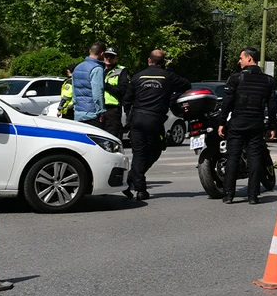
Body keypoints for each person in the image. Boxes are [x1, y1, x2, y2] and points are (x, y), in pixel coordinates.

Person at [122, 49, 190, 200]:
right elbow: (186, 84)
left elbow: (127, 100)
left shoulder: (138, 76)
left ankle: (134, 181)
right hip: (154, 119)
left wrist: (129, 116)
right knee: (156, 150)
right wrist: (171, 71)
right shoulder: (168, 76)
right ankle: (138, 186)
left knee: (139, 154)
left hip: (137, 118)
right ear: (163, 62)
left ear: (149, 60)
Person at [218, 47, 277, 205]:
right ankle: (253, 196)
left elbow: (227, 103)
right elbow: (272, 105)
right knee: (255, 158)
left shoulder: (235, 78)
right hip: (256, 123)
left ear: (249, 58)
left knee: (233, 156)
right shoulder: (268, 81)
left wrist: (222, 122)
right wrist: (272, 127)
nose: (239, 61)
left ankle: (228, 195)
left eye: (241, 58)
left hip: (238, 122)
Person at [72, 42, 107, 127]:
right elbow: (97, 93)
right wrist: (101, 111)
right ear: (102, 53)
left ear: (90, 51)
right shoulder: (97, 69)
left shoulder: (77, 67)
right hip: (92, 114)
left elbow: (74, 92)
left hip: (78, 113)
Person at [101, 47, 130, 141]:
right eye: (107, 56)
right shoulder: (98, 68)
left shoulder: (121, 70)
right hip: (97, 108)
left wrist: (106, 86)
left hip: (112, 108)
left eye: (112, 56)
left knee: (111, 136)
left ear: (116, 58)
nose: (108, 58)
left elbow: (123, 90)